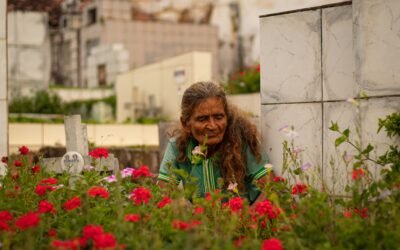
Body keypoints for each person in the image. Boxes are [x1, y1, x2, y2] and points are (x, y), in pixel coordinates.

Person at [157, 81, 271, 205]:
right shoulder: (177, 147)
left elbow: (272, 188)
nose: (212, 126)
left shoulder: (242, 141)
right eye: (202, 119)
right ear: (186, 124)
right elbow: (161, 196)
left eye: (218, 117)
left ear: (227, 117)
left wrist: (249, 218)